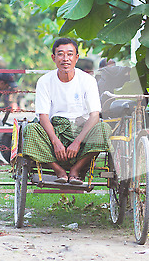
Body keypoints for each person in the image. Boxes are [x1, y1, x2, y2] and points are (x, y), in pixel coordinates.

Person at [22, 38, 112, 185]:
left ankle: (76, 170)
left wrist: (77, 141)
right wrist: (55, 141)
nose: (65, 59)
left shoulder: (87, 80)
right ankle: (59, 171)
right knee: (30, 130)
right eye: (60, 54)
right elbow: (43, 115)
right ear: (54, 57)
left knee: (104, 128)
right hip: (55, 129)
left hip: (81, 130)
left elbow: (95, 115)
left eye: (70, 54)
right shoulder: (44, 81)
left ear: (76, 57)